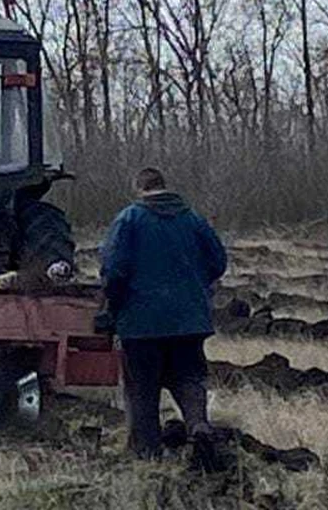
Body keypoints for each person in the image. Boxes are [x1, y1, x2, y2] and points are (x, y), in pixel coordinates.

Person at [100, 167, 227, 462]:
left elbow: (114, 269)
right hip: (190, 320)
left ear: (139, 188)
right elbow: (218, 262)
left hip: (141, 323)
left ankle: (146, 453)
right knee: (189, 377)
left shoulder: (129, 219)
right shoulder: (193, 219)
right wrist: (195, 285)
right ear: (164, 187)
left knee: (142, 388)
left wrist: (112, 306)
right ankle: (198, 426)